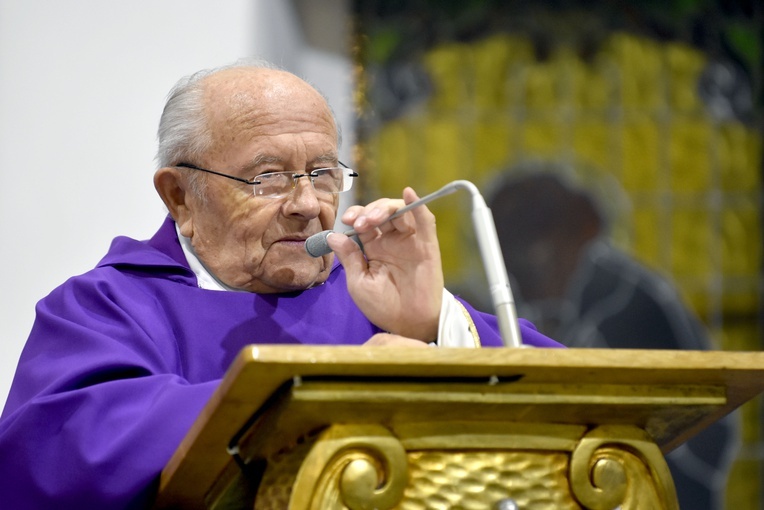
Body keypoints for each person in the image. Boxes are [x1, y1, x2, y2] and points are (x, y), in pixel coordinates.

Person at [0, 59, 561, 509]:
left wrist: (430, 325)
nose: (308, 205)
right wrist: (332, 390)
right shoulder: (108, 306)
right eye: (266, 177)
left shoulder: (378, 295)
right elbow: (59, 452)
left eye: (322, 174)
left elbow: (590, 403)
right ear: (179, 196)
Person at [486, 164, 740, 510]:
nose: (518, 279)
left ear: (565, 239)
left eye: (521, 259)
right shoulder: (582, 294)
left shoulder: (621, 298)